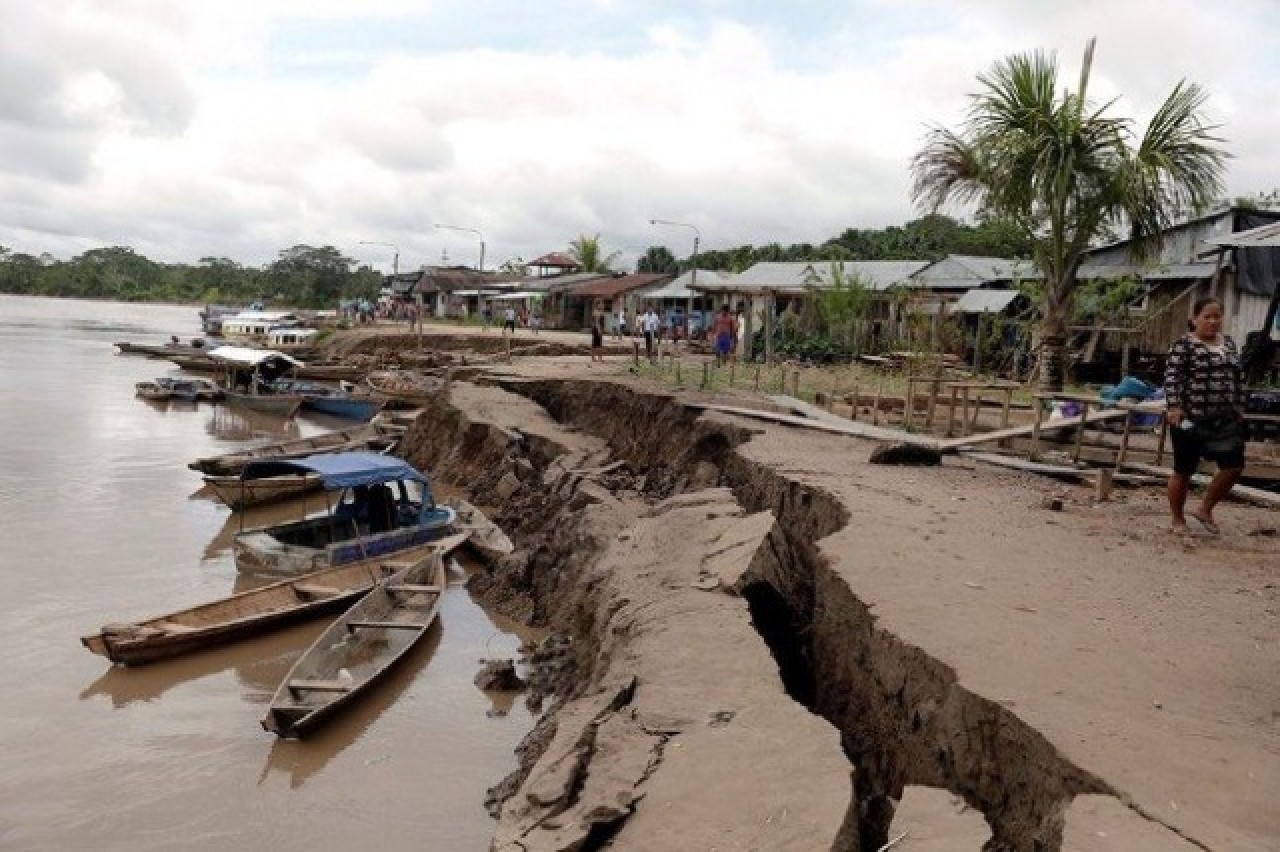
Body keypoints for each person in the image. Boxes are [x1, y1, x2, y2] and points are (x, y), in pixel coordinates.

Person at [1163, 296, 1246, 536]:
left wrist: (1240, 405)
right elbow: (1172, 378)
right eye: (1206, 317)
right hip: (1190, 417)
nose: (1212, 321)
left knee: (1234, 466)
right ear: (1194, 319)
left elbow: (1238, 378)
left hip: (1224, 417)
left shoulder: (1228, 344)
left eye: (1216, 316)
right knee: (1184, 469)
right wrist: (1175, 406)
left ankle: (1205, 508)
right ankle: (1177, 519)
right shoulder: (1183, 345)